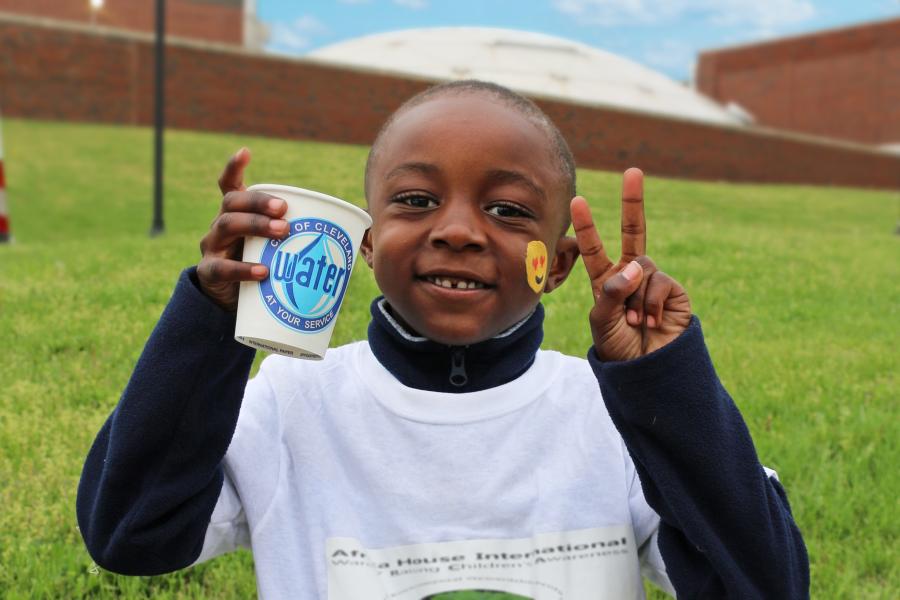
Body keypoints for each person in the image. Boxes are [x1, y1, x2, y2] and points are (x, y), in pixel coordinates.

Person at [77, 80, 808, 598]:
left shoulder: (610, 415)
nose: (457, 229)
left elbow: (766, 584)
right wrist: (209, 326)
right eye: (416, 200)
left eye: (508, 209)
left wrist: (666, 391)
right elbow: (130, 534)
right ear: (367, 246)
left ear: (554, 266)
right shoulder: (292, 403)